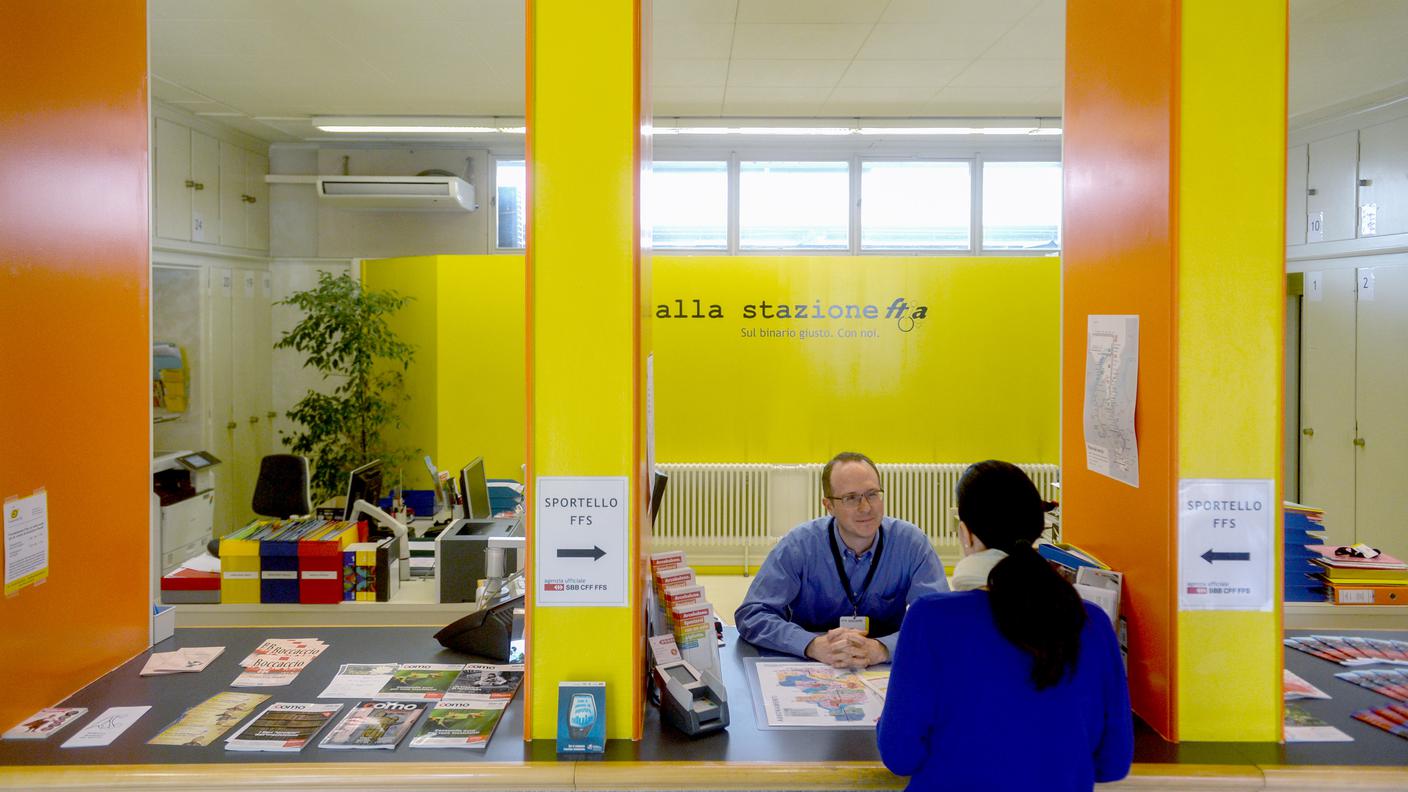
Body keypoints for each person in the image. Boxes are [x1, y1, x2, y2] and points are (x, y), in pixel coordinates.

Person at [877, 460, 1132, 791]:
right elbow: (1112, 762)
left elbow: (900, 756)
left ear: (965, 534)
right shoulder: (1091, 623)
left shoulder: (931, 619)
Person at [734, 452, 949, 668]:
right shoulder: (799, 545)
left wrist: (883, 649)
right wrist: (811, 644)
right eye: (851, 498)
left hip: (884, 669)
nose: (865, 507)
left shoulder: (911, 544)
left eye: (872, 494)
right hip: (813, 666)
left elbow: (940, 621)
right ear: (829, 506)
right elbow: (752, 614)